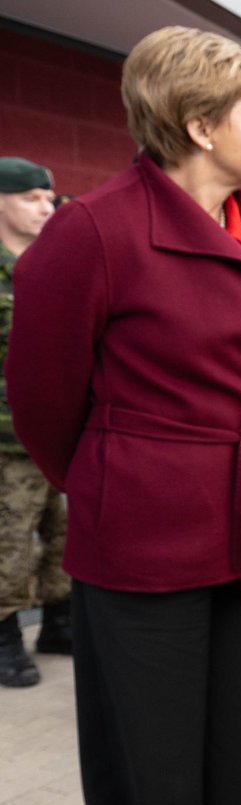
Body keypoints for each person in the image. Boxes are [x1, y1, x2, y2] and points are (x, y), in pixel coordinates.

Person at [6, 26, 241, 805]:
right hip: (142, 549)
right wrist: (121, 480)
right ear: (200, 125)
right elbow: (44, 404)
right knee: (153, 778)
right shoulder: (94, 231)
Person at [0, 156, 70, 687]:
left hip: (58, 433)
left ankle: (57, 624)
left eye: (49, 198)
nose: (46, 208)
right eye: (31, 199)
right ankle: (5, 638)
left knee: (63, 533)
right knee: (9, 542)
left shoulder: (54, 265)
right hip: (6, 441)